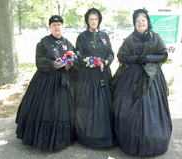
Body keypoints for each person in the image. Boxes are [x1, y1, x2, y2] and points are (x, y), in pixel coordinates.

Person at [110, 9, 172, 156]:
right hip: (132, 77)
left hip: (152, 77)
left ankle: (151, 142)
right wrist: (136, 59)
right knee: (129, 107)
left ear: (148, 22)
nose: (141, 23)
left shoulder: (156, 37)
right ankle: (132, 142)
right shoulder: (130, 38)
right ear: (134, 23)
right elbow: (121, 55)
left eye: (143, 20)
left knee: (152, 109)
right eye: (138, 21)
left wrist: (149, 58)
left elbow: (164, 55)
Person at [16, 15, 79, 150]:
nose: (57, 27)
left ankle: (62, 138)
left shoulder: (68, 43)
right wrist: (52, 64)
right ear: (50, 27)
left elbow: (75, 58)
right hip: (46, 82)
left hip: (64, 82)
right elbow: (39, 60)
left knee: (63, 110)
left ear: (62, 26)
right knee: (45, 110)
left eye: (59, 24)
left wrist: (71, 64)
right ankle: (42, 139)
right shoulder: (43, 42)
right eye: (54, 25)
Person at [74, 8, 116, 148]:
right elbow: (78, 54)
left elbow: (110, 53)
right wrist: (90, 61)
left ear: (99, 21)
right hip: (88, 76)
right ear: (87, 20)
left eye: (96, 19)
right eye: (91, 19)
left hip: (103, 73)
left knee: (105, 103)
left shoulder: (105, 35)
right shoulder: (81, 36)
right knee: (90, 103)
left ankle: (106, 134)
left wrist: (106, 61)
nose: (93, 21)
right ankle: (89, 136)